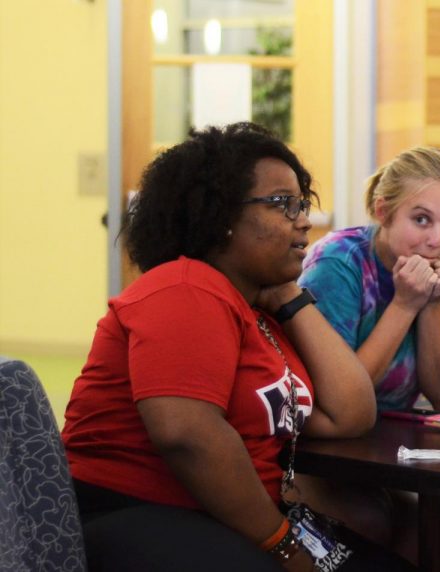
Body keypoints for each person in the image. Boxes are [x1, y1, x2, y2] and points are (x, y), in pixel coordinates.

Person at [62, 123, 409, 571]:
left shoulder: (256, 312)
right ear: (221, 216)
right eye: (282, 204)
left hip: (219, 518)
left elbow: (351, 414)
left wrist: (291, 298)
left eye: (301, 204)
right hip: (128, 511)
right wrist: (281, 543)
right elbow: (186, 434)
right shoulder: (185, 287)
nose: (303, 220)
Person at [299, 146, 440, 412]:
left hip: (396, 435)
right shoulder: (337, 261)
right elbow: (341, 399)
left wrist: (433, 302)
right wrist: (405, 305)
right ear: (383, 211)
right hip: (333, 436)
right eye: (421, 219)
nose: (436, 241)